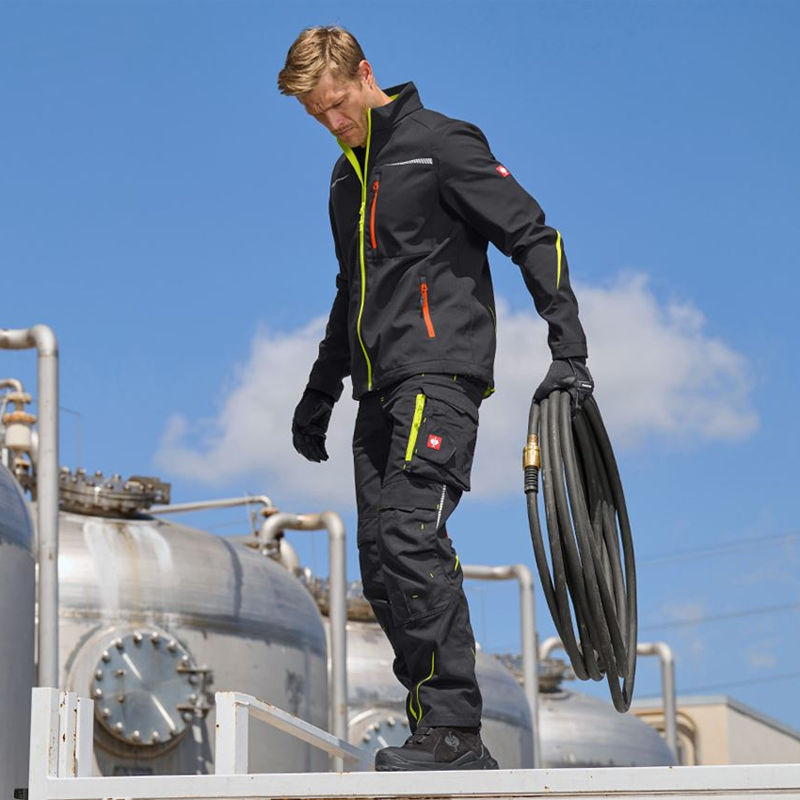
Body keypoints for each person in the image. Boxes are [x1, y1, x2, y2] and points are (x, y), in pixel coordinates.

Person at [278, 26, 593, 772]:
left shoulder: (439, 143)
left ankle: (455, 730)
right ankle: (434, 730)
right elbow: (350, 289)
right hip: (375, 390)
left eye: (337, 107)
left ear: (365, 75)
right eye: (316, 116)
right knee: (382, 568)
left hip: (439, 374)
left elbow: (533, 233)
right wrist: (321, 390)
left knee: (411, 537)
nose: (332, 124)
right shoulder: (343, 179)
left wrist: (567, 347)